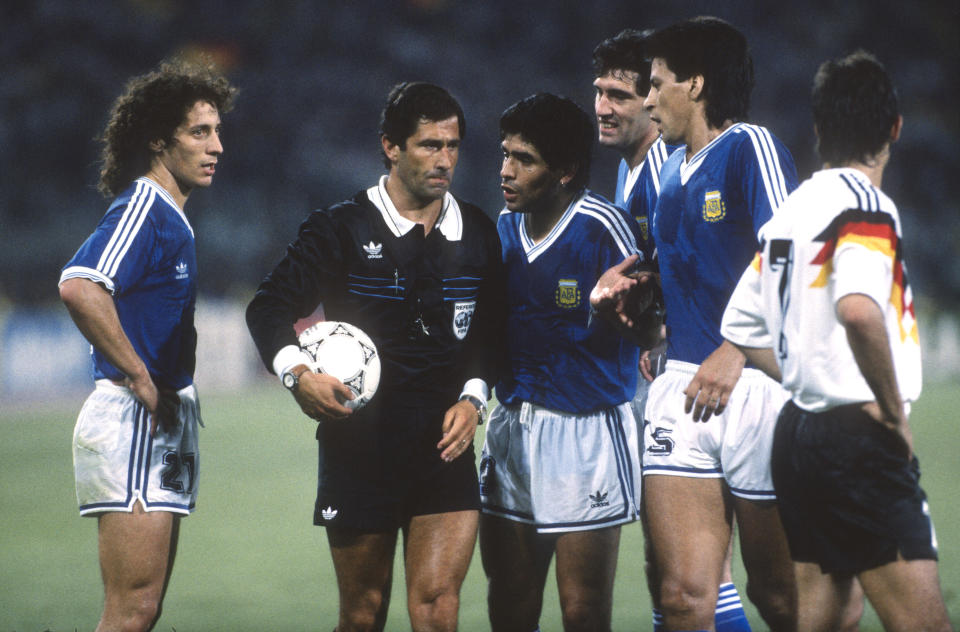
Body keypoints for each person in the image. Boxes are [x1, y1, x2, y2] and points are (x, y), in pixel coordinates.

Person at [245, 82, 504, 632]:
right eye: (429, 145)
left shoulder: (479, 232)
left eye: (453, 146)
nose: (445, 160)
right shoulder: (340, 227)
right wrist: (298, 374)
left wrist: (474, 397)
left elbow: (491, 333)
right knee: (362, 616)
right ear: (391, 146)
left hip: (444, 449)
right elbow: (267, 308)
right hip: (360, 449)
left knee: (438, 610)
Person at [720, 50, 951, 632]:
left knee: (825, 617)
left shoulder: (790, 213)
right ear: (894, 128)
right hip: (858, 438)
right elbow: (859, 311)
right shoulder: (868, 206)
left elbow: (742, 328)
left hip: (799, 436)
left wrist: (806, 376)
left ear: (820, 127)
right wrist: (893, 411)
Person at [594, 17, 801, 631]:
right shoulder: (669, 173)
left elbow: (787, 251)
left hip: (754, 386)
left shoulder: (749, 147)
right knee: (682, 596)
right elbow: (681, 279)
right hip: (682, 385)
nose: (649, 98)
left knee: (777, 592)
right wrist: (637, 306)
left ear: (698, 84)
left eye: (656, 84)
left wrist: (736, 348)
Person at [58, 58, 235, 631]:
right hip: (132, 417)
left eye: (217, 131)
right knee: (131, 609)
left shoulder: (173, 216)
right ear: (160, 141)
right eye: (199, 132)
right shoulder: (144, 208)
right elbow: (80, 285)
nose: (216, 146)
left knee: (145, 608)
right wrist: (138, 374)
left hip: (162, 419)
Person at [478, 93, 650, 632]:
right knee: (509, 600)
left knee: (583, 610)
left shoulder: (603, 226)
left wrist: (618, 302)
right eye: (504, 154)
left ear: (566, 172)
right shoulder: (503, 229)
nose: (505, 170)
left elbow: (651, 323)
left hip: (587, 432)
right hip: (512, 426)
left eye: (523, 159)